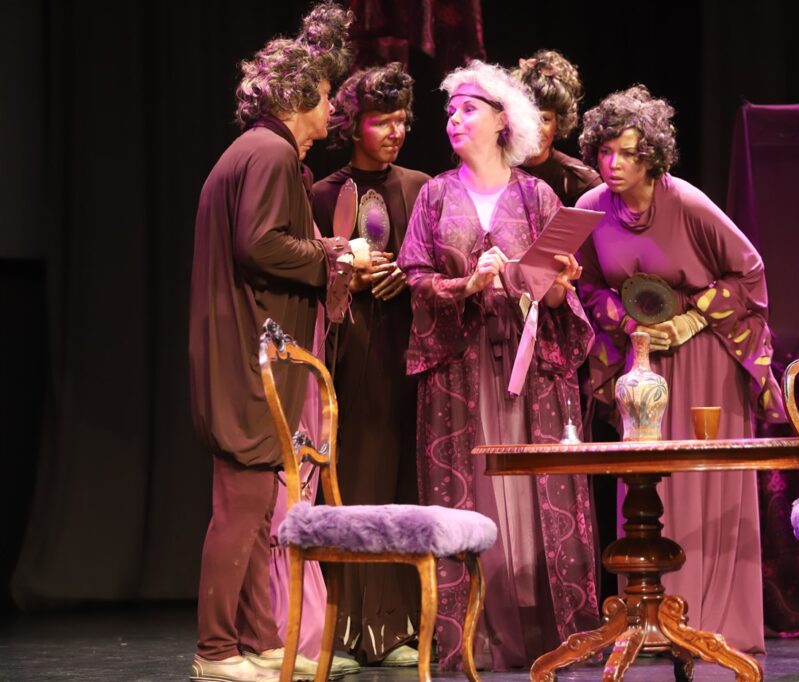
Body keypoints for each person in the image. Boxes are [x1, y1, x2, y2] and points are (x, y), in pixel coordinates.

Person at [187, 4, 371, 681]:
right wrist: (333, 256)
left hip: (252, 350)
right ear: (295, 99)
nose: (332, 111)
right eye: (324, 97)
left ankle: (261, 638)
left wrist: (325, 252)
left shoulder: (258, 153)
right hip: (247, 357)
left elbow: (265, 241)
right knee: (241, 510)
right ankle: (216, 650)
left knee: (263, 504)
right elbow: (260, 244)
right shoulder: (268, 152)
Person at [396, 60, 599, 671]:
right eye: (450, 111)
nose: (454, 119)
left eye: (468, 109)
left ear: (501, 120)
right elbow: (415, 276)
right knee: (473, 489)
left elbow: (559, 294)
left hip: (528, 368)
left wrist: (556, 285)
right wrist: (465, 285)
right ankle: (473, 637)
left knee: (532, 492)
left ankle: (549, 634)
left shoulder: (536, 196)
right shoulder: (435, 194)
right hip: (460, 370)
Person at [575, 85, 786, 655]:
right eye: (605, 152)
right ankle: (647, 618)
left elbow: (749, 272)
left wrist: (693, 320)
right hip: (643, 362)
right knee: (644, 479)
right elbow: (587, 285)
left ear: (652, 156)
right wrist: (625, 322)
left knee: (702, 481)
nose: (614, 164)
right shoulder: (592, 207)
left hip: (706, 359)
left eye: (627, 153)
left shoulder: (687, 202)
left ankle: (712, 622)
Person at [302, 62, 429, 668]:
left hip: (408, 347)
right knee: (352, 476)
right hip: (350, 350)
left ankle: (400, 627)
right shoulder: (322, 193)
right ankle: (345, 628)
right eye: (382, 121)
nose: (395, 132)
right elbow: (306, 268)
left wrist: (410, 273)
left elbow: (438, 261)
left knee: (403, 475)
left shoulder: (423, 187)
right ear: (354, 125)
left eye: (401, 120)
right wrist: (345, 276)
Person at [511, 49, 600, 207]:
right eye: (528, 117)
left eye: (544, 119)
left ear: (558, 123)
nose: (535, 129)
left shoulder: (582, 184)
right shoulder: (493, 172)